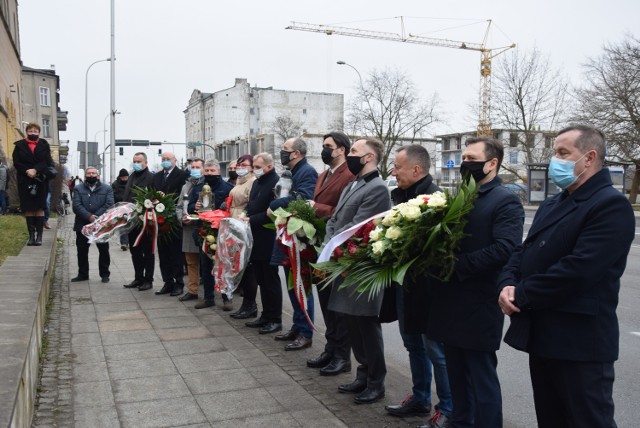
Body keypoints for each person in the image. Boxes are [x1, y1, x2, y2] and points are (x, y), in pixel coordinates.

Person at [497, 125, 635, 428]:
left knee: (588, 420)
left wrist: (521, 294)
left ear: (589, 158)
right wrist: (507, 282)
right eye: (554, 153)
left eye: (562, 153)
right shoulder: (553, 202)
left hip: (580, 342)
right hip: (545, 335)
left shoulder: (610, 205)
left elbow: (579, 270)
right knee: (552, 419)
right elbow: (523, 251)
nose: (553, 161)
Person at [428, 136, 524, 428]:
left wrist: (457, 265)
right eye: (464, 158)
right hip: (451, 300)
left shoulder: (505, 199)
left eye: (472, 158)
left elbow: (506, 248)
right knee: (456, 375)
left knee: (481, 377)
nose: (465, 163)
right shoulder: (462, 196)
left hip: (478, 302)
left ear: (492, 163)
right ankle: (460, 423)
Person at [380, 145, 453, 427]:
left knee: (435, 350)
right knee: (412, 344)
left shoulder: (435, 200)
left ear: (417, 170)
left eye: (397, 167)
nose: (393, 172)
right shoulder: (400, 196)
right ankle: (420, 398)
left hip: (427, 288)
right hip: (404, 284)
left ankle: (447, 408)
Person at [326, 137, 392, 404]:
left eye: (354, 151)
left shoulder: (377, 188)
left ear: (369, 158)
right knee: (352, 325)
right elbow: (335, 219)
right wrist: (329, 241)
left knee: (366, 326)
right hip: (344, 263)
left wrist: (333, 243)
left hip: (361, 267)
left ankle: (376, 381)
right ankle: (362, 375)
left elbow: (358, 225)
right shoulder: (353, 184)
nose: (349, 155)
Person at [305, 132, 355, 375]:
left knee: (337, 305)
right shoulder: (323, 174)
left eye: (328, 146)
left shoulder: (349, 175)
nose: (324, 150)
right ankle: (331, 348)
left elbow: (345, 211)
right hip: (319, 246)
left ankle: (342, 356)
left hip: (336, 248)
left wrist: (317, 209)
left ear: (342, 149)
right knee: (325, 301)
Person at [265, 137, 318, 348]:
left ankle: (305, 332)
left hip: (299, 239)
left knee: (301, 286)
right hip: (288, 236)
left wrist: (275, 204)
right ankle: (297, 326)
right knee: (291, 286)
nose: (282, 152)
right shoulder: (291, 172)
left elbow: (302, 198)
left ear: (296, 153)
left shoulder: (307, 172)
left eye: (285, 149)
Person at [238, 153, 281, 326]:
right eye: (254, 166)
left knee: (270, 281)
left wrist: (252, 219)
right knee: (261, 280)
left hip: (268, 237)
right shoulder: (257, 182)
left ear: (269, 167)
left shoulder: (276, 183)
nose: (254, 170)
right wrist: (245, 213)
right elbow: (252, 204)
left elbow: (274, 211)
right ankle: (265, 315)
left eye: (257, 167)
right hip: (254, 237)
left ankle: (275, 318)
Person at [187, 159, 233, 309]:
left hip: (222, 231)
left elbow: (231, 207)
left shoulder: (227, 188)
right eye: (207, 171)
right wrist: (196, 206)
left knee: (224, 265)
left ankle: (227, 298)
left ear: (219, 172)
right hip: (204, 231)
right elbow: (190, 207)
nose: (209, 173)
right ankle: (208, 298)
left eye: (212, 171)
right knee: (206, 266)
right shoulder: (198, 188)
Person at [12, 122, 55, 246]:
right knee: (28, 207)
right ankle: (31, 236)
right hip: (24, 179)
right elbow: (16, 162)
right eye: (30, 131)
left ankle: (39, 237)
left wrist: (35, 169)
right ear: (26, 132)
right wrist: (27, 170)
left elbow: (46, 161)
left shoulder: (44, 144)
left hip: (40, 179)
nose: (33, 133)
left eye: (35, 131)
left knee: (40, 207)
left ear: (39, 133)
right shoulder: (19, 145)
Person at [152, 152, 188, 296]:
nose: (166, 161)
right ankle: (168, 282)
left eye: (168, 159)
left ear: (175, 160)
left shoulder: (182, 175)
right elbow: (152, 193)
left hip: (174, 220)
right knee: (163, 253)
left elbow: (183, 195)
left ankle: (178, 283)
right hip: (160, 220)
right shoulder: (157, 176)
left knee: (176, 253)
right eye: (164, 159)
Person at [71, 167, 114, 283]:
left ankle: (105, 274)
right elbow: (76, 205)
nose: (91, 175)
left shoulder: (107, 188)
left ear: (98, 175)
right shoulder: (78, 188)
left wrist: (96, 217)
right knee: (82, 251)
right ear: (85, 176)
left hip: (101, 225)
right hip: (82, 224)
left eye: (93, 173)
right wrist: (89, 217)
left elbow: (109, 204)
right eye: (88, 173)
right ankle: (83, 274)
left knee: (104, 250)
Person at [226, 154, 256, 316]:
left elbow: (250, 204)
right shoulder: (239, 181)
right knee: (239, 266)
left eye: (244, 164)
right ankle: (246, 305)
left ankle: (250, 305)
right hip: (234, 224)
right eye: (238, 165)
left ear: (251, 167)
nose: (240, 167)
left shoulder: (252, 182)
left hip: (243, 226)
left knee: (247, 267)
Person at [122, 152, 155, 291]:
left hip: (145, 221)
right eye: (134, 161)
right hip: (132, 220)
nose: (136, 163)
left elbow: (154, 197)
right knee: (134, 251)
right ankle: (138, 277)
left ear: (146, 163)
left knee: (147, 252)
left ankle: (148, 280)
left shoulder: (151, 177)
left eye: (139, 161)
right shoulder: (131, 176)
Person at [176, 158, 204, 299]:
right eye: (192, 167)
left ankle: (213, 292)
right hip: (188, 228)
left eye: (198, 167)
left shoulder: (206, 184)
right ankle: (192, 290)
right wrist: (182, 218)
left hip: (204, 227)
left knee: (208, 263)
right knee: (191, 262)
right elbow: (179, 206)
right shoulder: (185, 186)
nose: (195, 169)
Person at [111, 168, 130, 250]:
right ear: (120, 177)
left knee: (130, 225)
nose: (125, 179)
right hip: (120, 208)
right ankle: (124, 243)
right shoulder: (115, 184)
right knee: (123, 225)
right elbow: (113, 196)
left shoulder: (131, 183)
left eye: (126, 177)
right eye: (123, 177)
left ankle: (130, 242)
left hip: (130, 207)